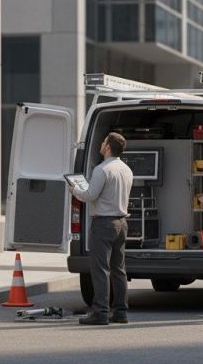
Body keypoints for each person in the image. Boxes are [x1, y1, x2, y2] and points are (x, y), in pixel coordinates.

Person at [71, 132, 133, 326]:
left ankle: (100, 312)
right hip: (122, 223)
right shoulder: (126, 169)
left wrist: (75, 190)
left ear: (108, 147)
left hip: (104, 223)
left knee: (100, 269)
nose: (101, 143)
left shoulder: (102, 170)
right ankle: (121, 312)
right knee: (118, 269)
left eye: (104, 141)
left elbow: (90, 195)